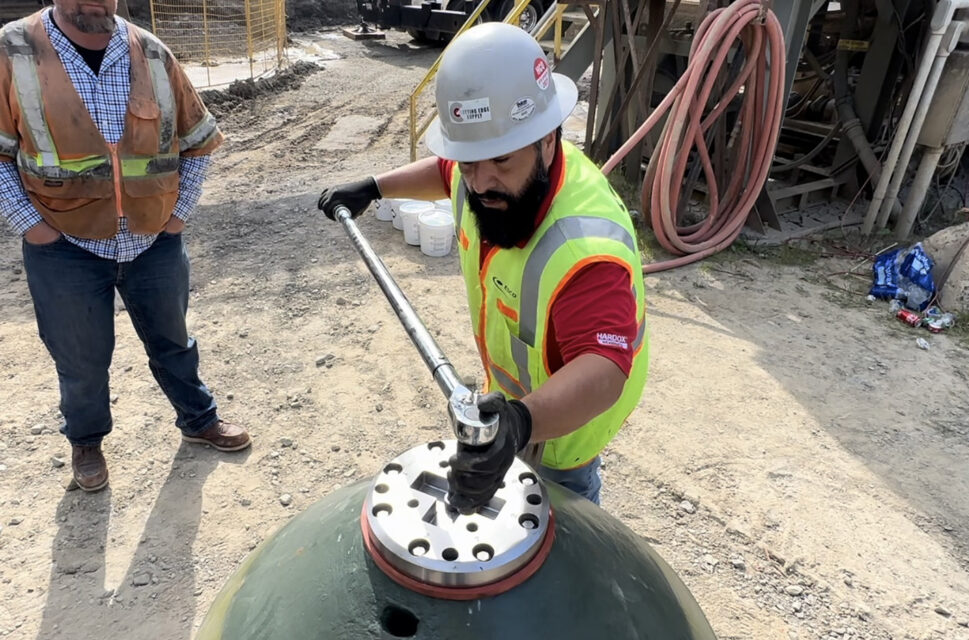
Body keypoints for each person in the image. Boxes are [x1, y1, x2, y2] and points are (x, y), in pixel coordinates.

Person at [319, 22, 647, 508]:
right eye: (471, 162)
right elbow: (446, 170)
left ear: (549, 140)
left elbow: (603, 369)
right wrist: (374, 186)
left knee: (563, 527)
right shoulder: (488, 167)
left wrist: (521, 424)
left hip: (565, 429)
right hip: (514, 400)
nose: (480, 182)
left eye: (500, 162)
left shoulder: (583, 247)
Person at [0, 0, 250, 494]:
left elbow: (197, 142)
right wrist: (32, 225)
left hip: (152, 239)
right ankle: (86, 442)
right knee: (81, 357)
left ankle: (199, 420)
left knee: (174, 340)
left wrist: (178, 218)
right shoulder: (13, 50)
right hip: (63, 244)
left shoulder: (152, 53)